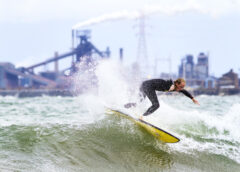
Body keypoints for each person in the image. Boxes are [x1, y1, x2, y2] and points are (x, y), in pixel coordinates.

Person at [124, 78, 199, 117]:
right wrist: (172, 85)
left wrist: (192, 98)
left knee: (139, 103)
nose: (181, 88)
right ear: (176, 83)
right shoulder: (171, 85)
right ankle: (143, 116)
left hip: (144, 84)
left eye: (183, 87)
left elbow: (184, 91)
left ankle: (125, 106)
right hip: (147, 86)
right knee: (156, 105)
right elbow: (171, 84)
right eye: (181, 86)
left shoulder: (176, 88)